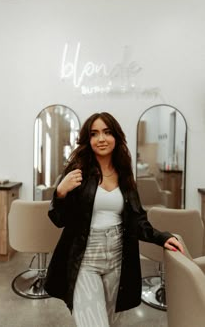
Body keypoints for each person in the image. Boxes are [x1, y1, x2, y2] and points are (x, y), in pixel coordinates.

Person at [44, 112, 184, 327]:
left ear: (116, 137)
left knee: (110, 322)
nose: (101, 139)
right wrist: (60, 193)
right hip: (86, 259)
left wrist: (161, 238)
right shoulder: (77, 172)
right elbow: (59, 219)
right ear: (88, 140)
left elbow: (137, 219)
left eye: (107, 132)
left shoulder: (125, 174)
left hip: (119, 258)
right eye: (94, 134)